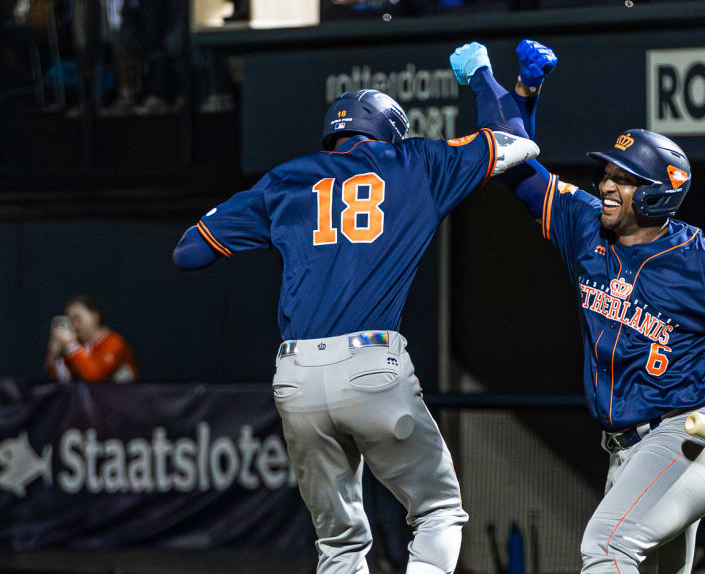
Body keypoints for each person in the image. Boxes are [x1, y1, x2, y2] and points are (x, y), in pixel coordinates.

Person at [450, 41, 705, 574]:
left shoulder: (702, 262)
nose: (607, 185)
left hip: (687, 438)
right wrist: (518, 91)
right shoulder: (585, 224)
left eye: (626, 179)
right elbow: (514, 164)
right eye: (608, 174)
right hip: (624, 451)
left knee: (606, 548)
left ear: (659, 195)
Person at [172, 88, 539, 574]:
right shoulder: (415, 161)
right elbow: (517, 143)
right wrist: (487, 81)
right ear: (388, 127)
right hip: (371, 366)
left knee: (339, 544)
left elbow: (188, 252)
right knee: (438, 512)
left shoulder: (287, 178)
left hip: (296, 377)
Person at [44, 294, 138, 383]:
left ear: (95, 315)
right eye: (71, 320)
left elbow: (95, 379)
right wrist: (53, 355)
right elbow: (61, 382)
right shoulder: (78, 348)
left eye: (78, 317)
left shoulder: (115, 342)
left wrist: (71, 346)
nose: (74, 324)